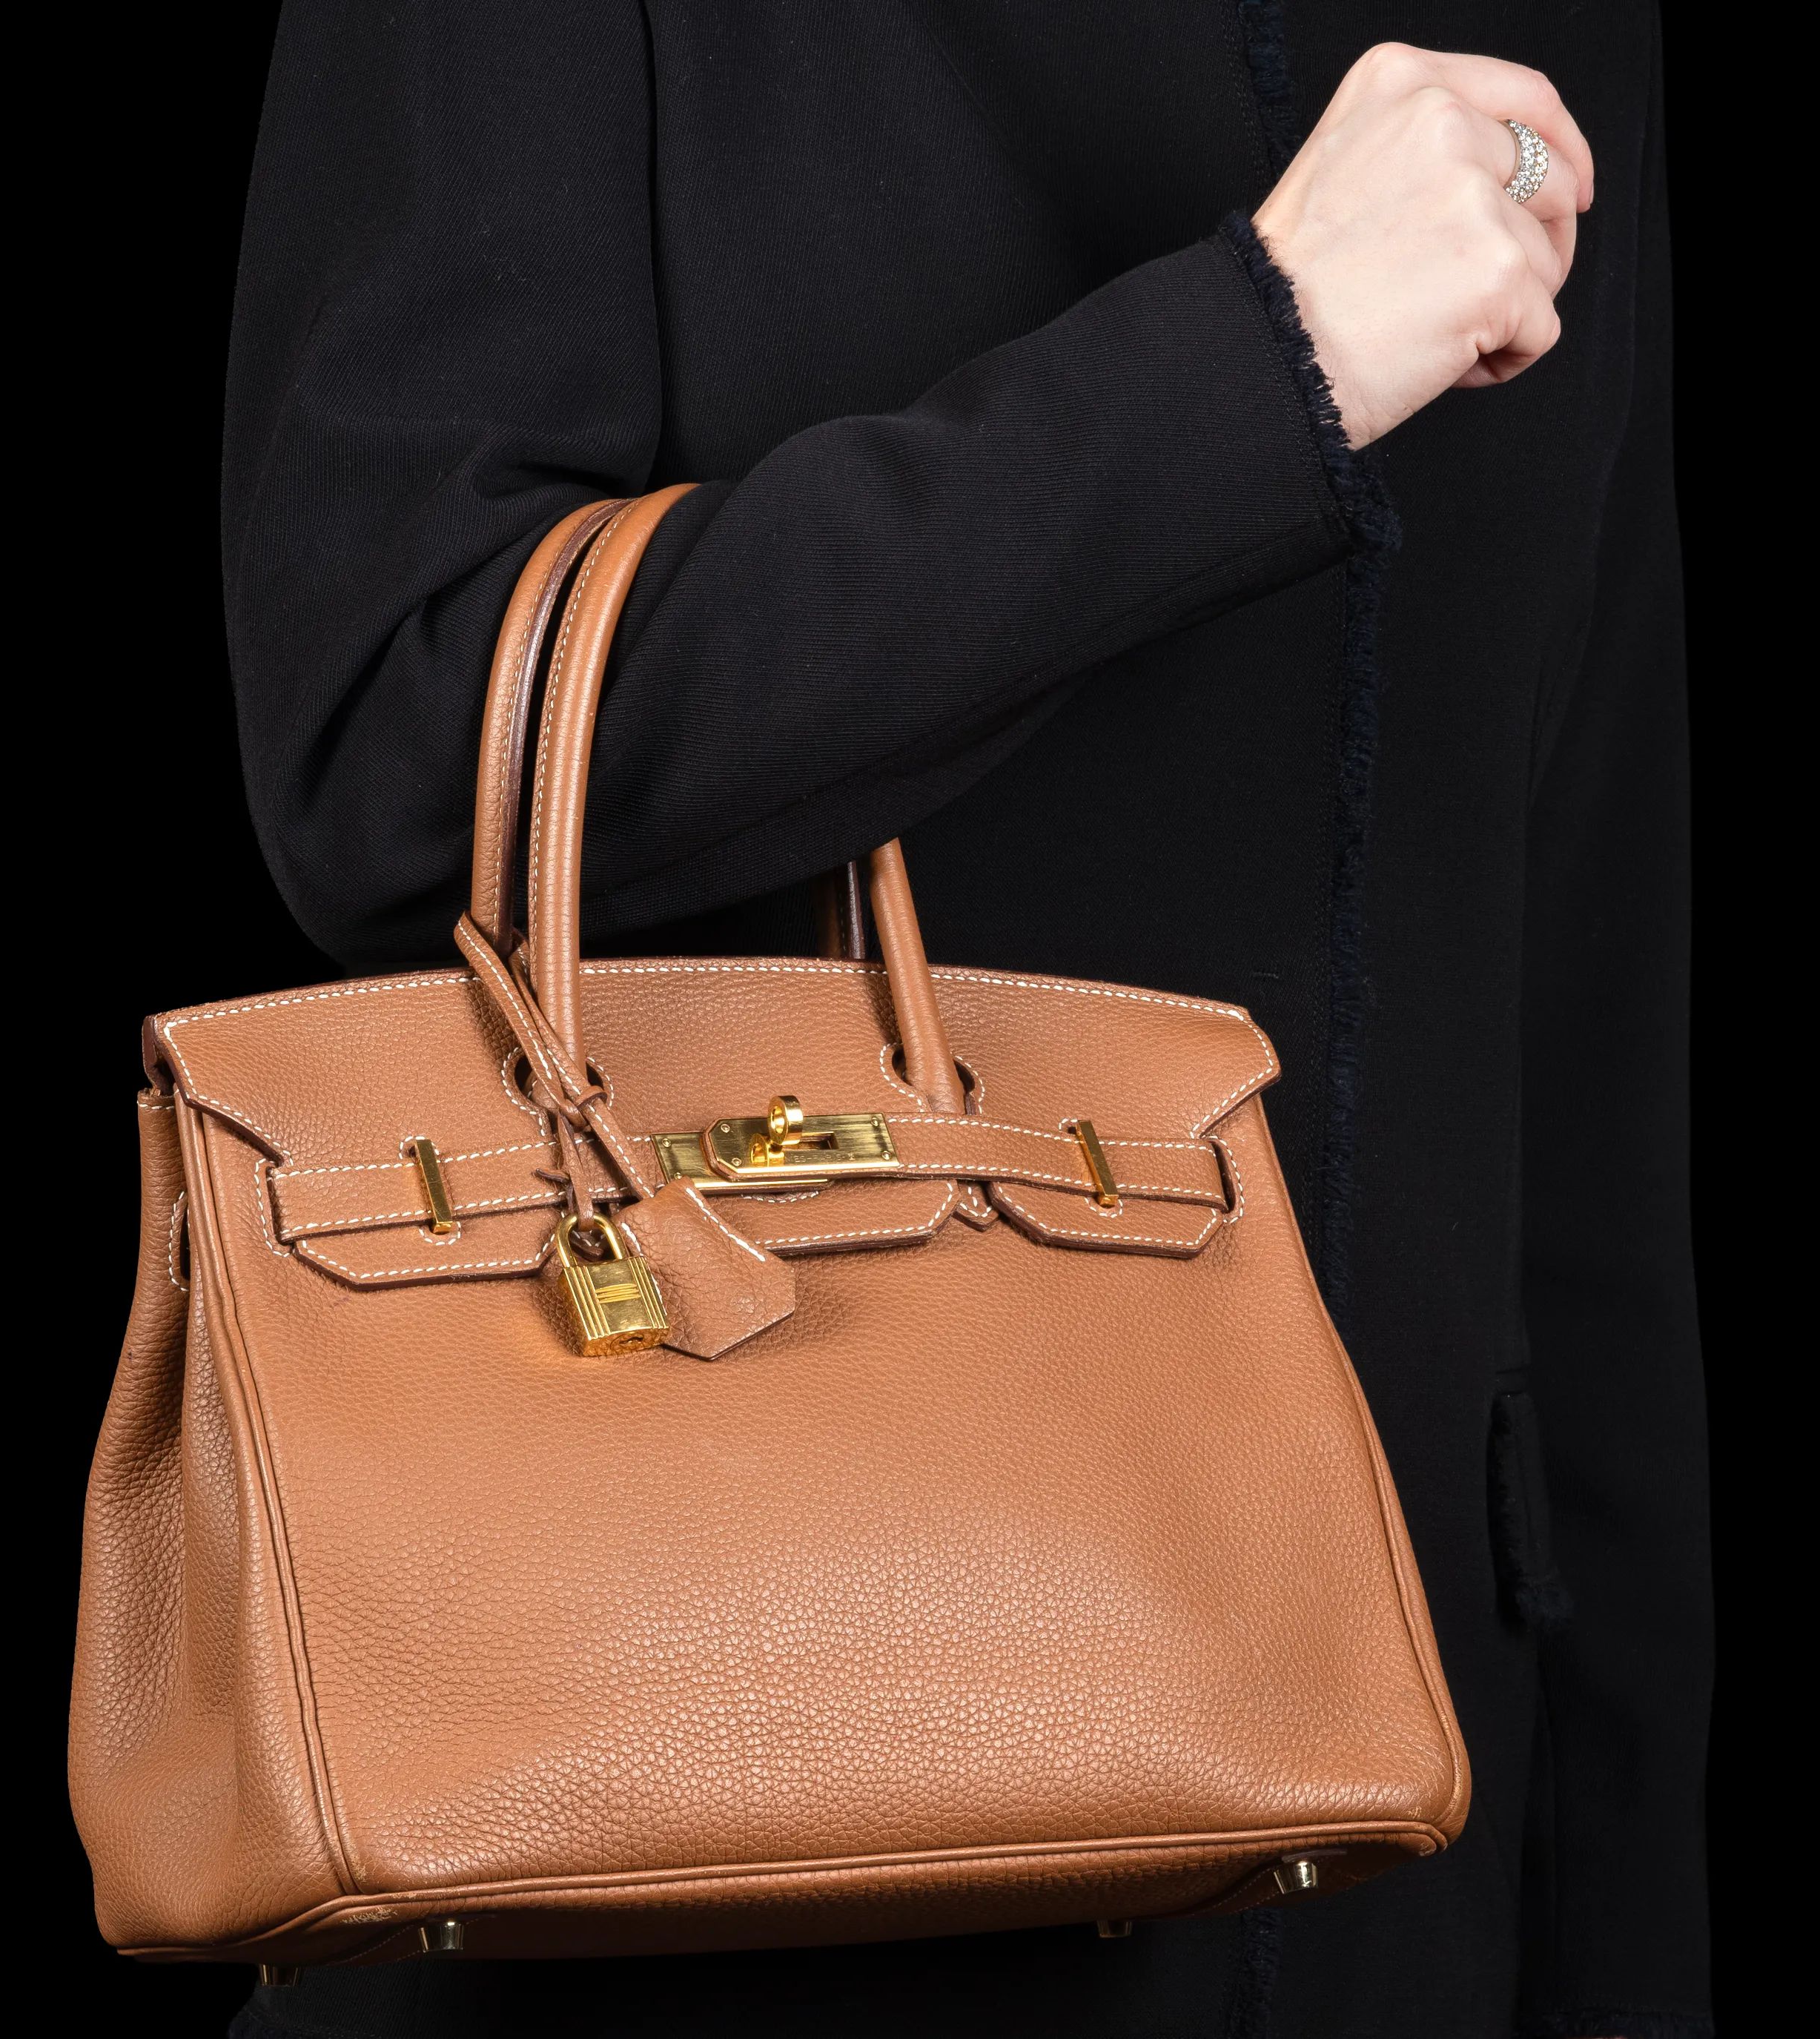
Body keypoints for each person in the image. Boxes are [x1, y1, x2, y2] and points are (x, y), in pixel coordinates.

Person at [218, 6, 1709, 2035]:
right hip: (702, 1824)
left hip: (1418, 1836)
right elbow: (395, 752)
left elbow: (1577, 1026)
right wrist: (1247, 369)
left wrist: (1619, 1928)